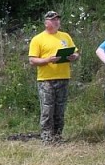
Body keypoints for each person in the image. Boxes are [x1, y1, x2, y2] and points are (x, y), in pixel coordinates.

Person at [28, 11, 80, 144]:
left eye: (57, 19)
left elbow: (75, 52)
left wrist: (73, 56)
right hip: (46, 79)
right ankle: (46, 137)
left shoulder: (65, 36)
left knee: (60, 109)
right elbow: (32, 60)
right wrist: (48, 60)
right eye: (52, 20)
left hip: (63, 77)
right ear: (46, 23)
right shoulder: (38, 39)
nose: (56, 22)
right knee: (47, 109)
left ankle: (57, 135)